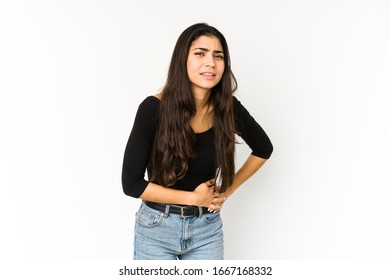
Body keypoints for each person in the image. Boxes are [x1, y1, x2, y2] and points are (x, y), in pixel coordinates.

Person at [121, 23, 273, 260]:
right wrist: (193, 198)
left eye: (218, 55)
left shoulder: (228, 108)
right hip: (156, 228)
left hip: (207, 229)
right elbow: (131, 184)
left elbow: (264, 148)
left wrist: (225, 192)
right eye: (200, 53)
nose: (210, 62)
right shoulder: (153, 109)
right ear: (183, 59)